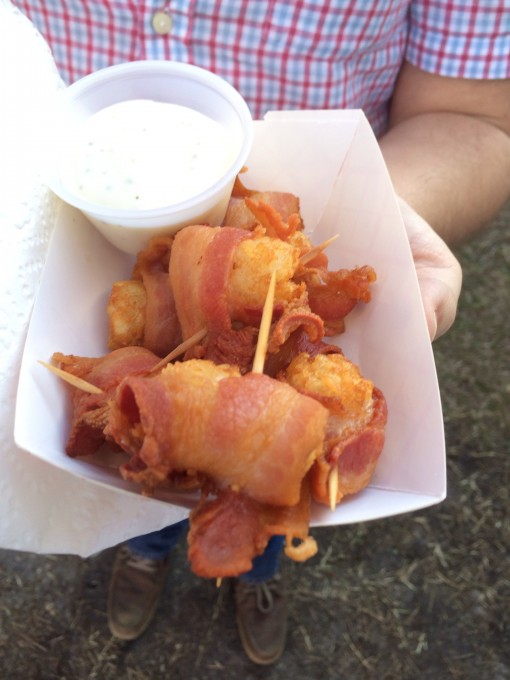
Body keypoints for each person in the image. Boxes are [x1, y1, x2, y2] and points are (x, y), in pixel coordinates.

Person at [13, 0, 510, 666]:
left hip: (315, 194)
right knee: (146, 486)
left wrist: (388, 217)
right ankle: (141, 548)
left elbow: (474, 115)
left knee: (270, 505)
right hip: (75, 206)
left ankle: (260, 577)